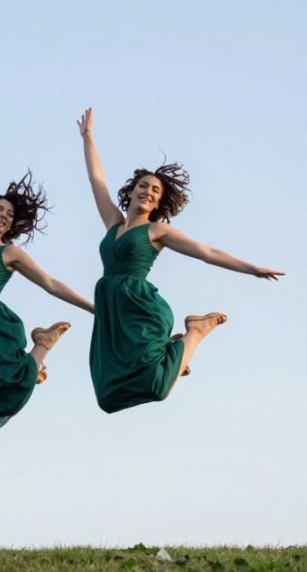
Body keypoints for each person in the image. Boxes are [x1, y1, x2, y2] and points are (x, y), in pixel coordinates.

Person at [78, 107, 284, 413]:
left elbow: (206, 253)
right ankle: (172, 355)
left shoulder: (157, 231)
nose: (148, 191)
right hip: (113, 310)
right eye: (143, 185)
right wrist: (88, 137)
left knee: (158, 387)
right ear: (131, 191)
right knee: (107, 397)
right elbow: (96, 179)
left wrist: (251, 269)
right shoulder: (113, 222)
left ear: (158, 203)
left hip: (139, 308)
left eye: (155, 190)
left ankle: (195, 331)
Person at [0, 137, 93, 435]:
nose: (4, 216)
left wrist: (92, 307)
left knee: (8, 389)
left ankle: (42, 345)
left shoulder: (10, 253)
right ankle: (33, 361)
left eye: (10, 215)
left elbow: (50, 283)